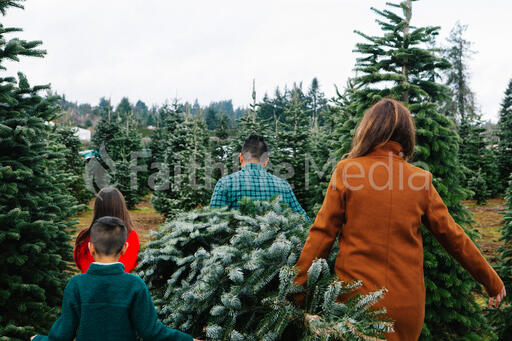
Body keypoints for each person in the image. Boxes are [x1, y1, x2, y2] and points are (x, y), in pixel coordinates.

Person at [293, 98, 506, 340]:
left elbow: (321, 235)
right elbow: (454, 237)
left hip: (357, 303)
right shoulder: (419, 180)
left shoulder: (347, 171)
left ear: (369, 130)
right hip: (407, 309)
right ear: (406, 136)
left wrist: (296, 292)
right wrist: (492, 281)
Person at [31, 216, 199, 341]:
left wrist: (37, 339)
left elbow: (62, 335)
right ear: (125, 248)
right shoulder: (134, 284)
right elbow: (152, 331)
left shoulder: (76, 284)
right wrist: (188, 339)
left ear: (90, 248)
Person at [210, 134, 309, 220]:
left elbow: (213, 222)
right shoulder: (284, 186)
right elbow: (303, 219)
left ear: (240, 157)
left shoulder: (225, 183)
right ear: (266, 161)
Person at [74, 187, 139, 273]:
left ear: (97, 208)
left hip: (88, 285)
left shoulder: (84, 236)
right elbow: (129, 266)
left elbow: (80, 264)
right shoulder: (131, 236)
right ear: (122, 208)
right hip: (120, 285)